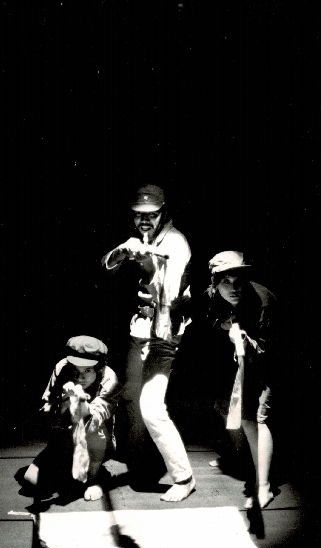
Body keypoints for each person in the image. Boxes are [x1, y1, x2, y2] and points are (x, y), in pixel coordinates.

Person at [102, 183, 196, 502]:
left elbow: (171, 285)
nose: (144, 220)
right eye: (138, 215)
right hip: (140, 329)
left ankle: (183, 478)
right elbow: (106, 265)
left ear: (163, 213)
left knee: (152, 408)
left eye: (151, 215)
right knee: (130, 396)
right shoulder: (143, 238)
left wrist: (165, 317)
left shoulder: (175, 242)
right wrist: (123, 251)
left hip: (162, 334)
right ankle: (139, 458)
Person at [206, 251, 277, 508]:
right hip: (236, 360)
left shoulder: (262, 302)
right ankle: (240, 460)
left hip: (267, 364)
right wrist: (224, 325)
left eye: (238, 282)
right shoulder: (213, 295)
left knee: (254, 418)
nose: (234, 288)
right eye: (226, 282)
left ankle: (264, 486)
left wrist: (247, 342)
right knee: (226, 408)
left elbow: (270, 351)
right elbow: (211, 322)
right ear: (215, 283)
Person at [19, 335, 121, 502]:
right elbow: (46, 414)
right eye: (75, 370)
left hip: (95, 441)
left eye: (87, 370)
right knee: (31, 481)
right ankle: (71, 468)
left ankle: (94, 477)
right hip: (63, 438)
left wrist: (80, 402)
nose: (80, 377)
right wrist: (61, 405)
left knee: (95, 431)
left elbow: (96, 420)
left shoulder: (110, 379)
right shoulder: (61, 368)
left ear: (99, 368)